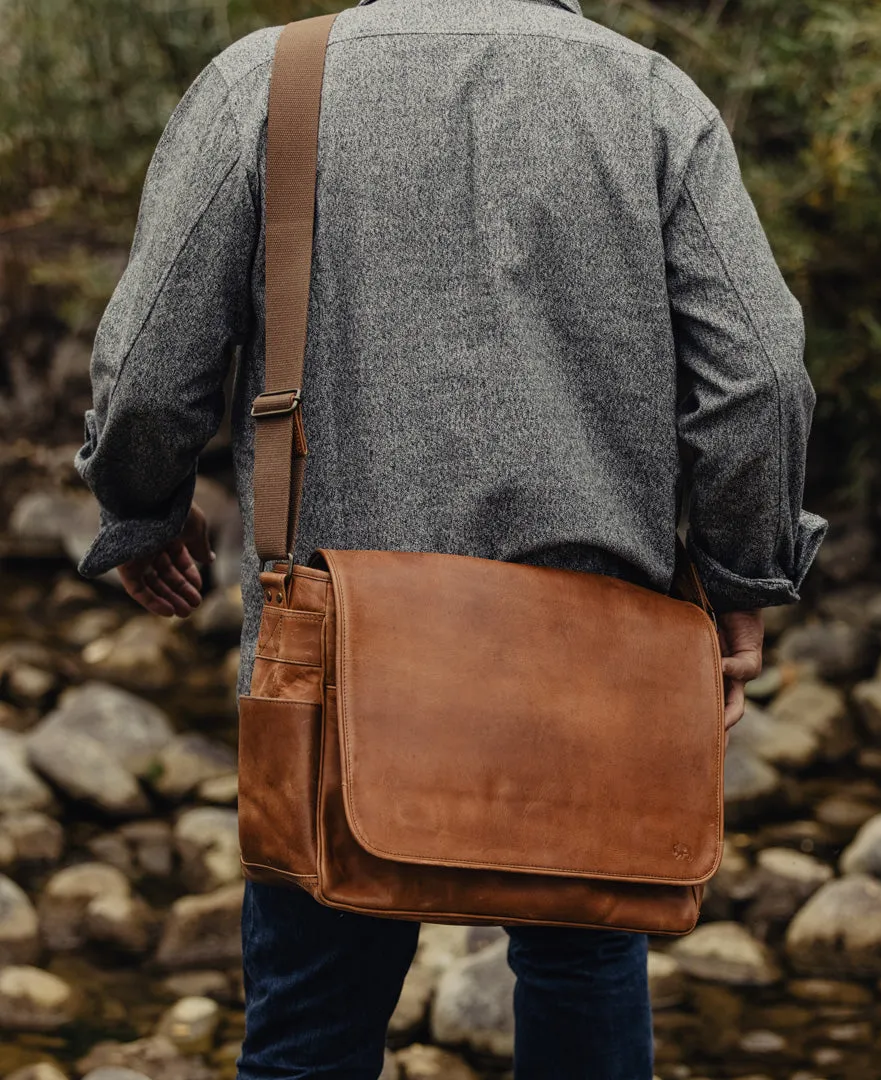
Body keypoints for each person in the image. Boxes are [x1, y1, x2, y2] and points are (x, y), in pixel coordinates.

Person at [74, 0, 827, 1076]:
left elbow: (149, 377)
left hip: (332, 659)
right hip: (597, 666)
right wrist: (744, 574)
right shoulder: (655, 101)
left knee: (312, 1031)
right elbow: (758, 378)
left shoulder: (266, 85)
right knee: (581, 971)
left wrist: (144, 507)